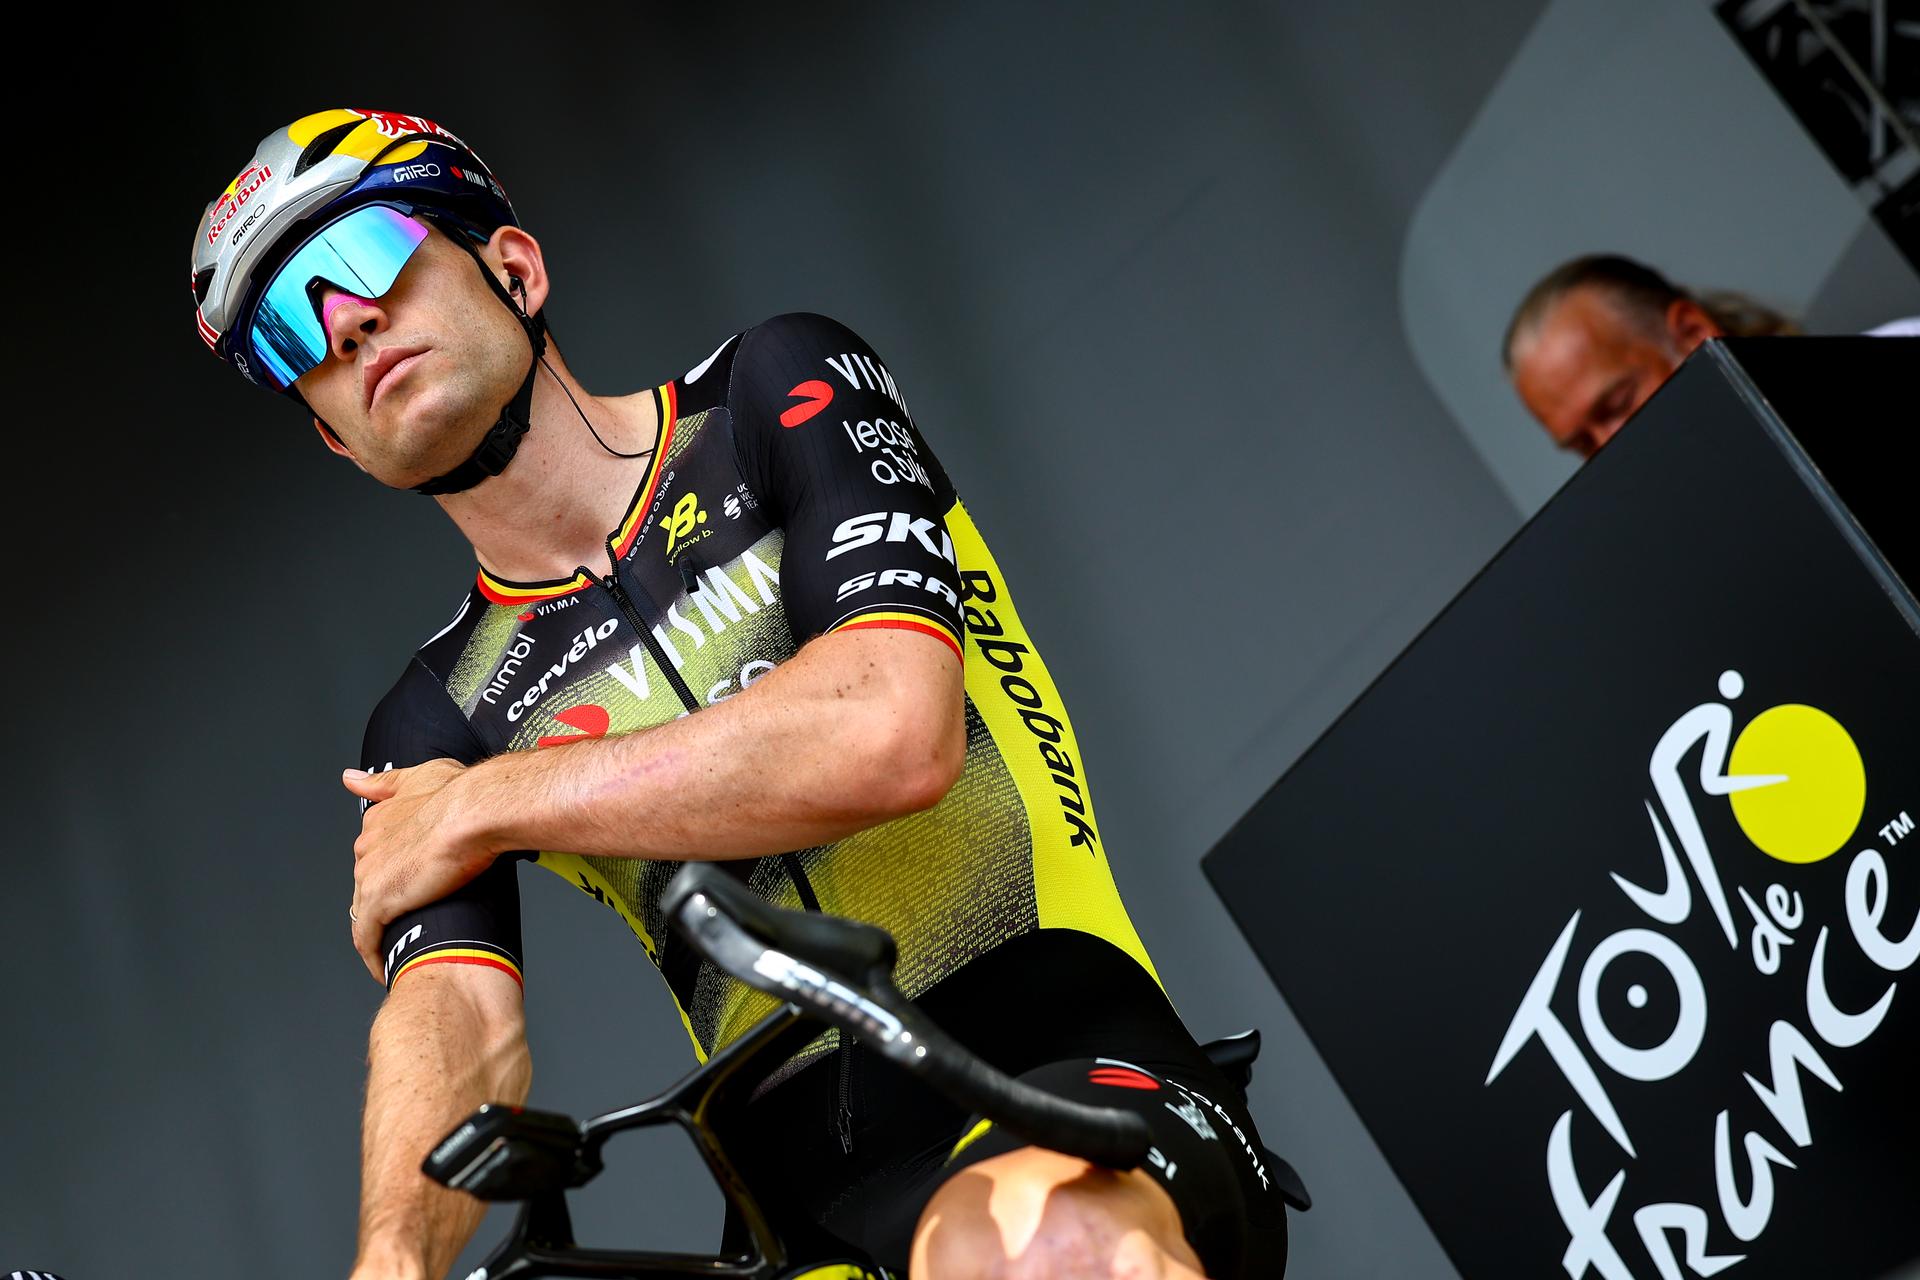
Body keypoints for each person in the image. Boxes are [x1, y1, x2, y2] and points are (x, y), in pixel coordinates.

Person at [191, 109, 1291, 1279]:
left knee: (1032, 1247)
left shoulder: (777, 386)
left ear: (514, 267)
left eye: (364, 259)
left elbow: (889, 731)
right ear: (330, 435)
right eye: (285, 327)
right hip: (793, 1197)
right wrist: (391, 1263)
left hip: (1057, 1051)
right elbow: (457, 1021)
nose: (343, 320)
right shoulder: (429, 721)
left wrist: (486, 800)